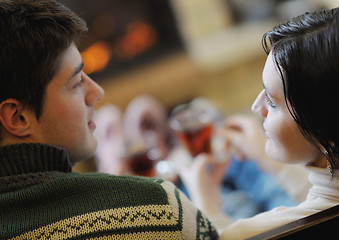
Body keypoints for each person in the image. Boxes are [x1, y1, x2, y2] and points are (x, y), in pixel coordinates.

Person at [0, 1, 218, 239]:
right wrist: (206, 202)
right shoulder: (157, 206)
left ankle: (112, 161)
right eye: (75, 83)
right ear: (18, 117)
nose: (97, 92)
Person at [179, 5, 339, 239]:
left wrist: (206, 205)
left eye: (272, 102)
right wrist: (265, 156)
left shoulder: (251, 234)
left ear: (328, 135)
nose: (257, 108)